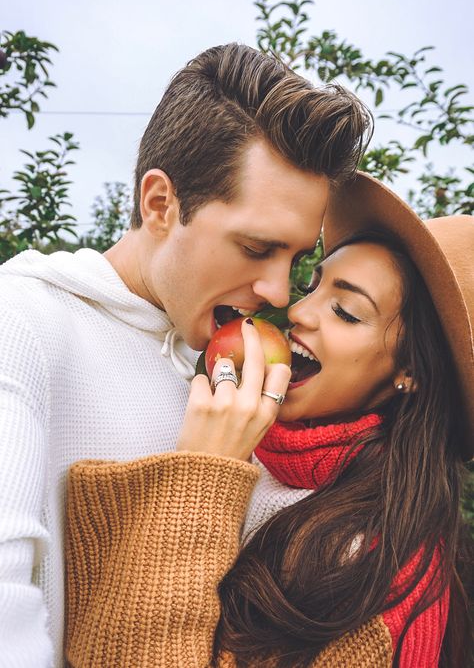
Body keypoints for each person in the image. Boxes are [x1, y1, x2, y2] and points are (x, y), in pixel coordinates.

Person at [0, 43, 372, 667]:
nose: (279, 292)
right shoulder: (24, 324)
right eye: (256, 248)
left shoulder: (225, 369)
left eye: (296, 258)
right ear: (160, 205)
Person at [64, 173, 473, 667]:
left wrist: (200, 475)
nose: (296, 311)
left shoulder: (378, 570)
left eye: (345, 311)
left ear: (410, 373)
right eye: (313, 286)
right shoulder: (240, 442)